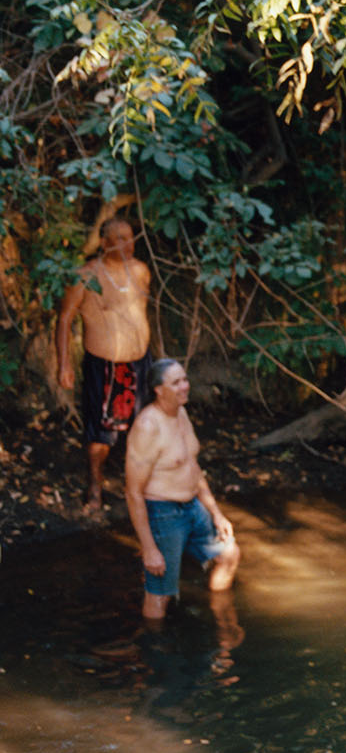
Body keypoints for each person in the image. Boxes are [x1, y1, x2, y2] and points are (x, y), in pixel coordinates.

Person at [124, 358, 240, 621]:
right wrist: (149, 548)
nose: (185, 386)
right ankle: (155, 649)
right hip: (163, 513)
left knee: (229, 554)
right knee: (160, 591)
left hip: (192, 508)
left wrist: (216, 513)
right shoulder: (147, 427)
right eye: (176, 382)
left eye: (185, 379)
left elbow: (192, 467)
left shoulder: (181, 413)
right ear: (158, 389)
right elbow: (133, 492)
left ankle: (219, 618)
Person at [54, 214, 153, 511]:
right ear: (104, 242)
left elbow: (140, 312)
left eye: (131, 237)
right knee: (101, 432)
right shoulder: (86, 276)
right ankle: (95, 486)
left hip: (140, 363)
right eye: (120, 238)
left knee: (143, 426)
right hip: (105, 366)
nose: (128, 244)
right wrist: (64, 364)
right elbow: (64, 319)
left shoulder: (140, 270)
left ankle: (138, 485)